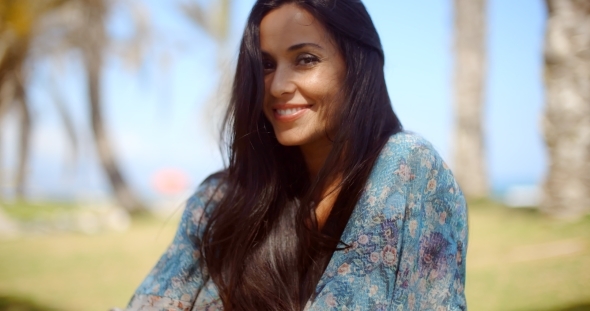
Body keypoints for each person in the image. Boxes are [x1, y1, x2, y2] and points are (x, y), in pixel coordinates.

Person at [125, 0, 468, 310]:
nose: (277, 86)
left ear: (357, 65)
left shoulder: (405, 165)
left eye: (305, 59)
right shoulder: (221, 199)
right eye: (266, 65)